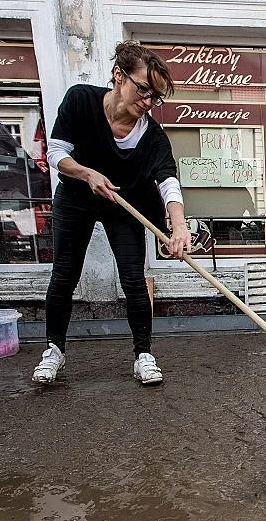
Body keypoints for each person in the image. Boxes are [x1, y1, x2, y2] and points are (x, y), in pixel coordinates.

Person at [32, 41, 191, 385]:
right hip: (76, 197)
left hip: (123, 203)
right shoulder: (80, 100)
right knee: (64, 273)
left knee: (134, 278)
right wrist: (87, 173)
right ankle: (53, 351)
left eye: (155, 97)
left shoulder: (153, 137)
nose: (148, 102)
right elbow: (57, 152)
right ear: (119, 76)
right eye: (144, 90)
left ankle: (143, 355)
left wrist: (179, 226)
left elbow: (168, 181)